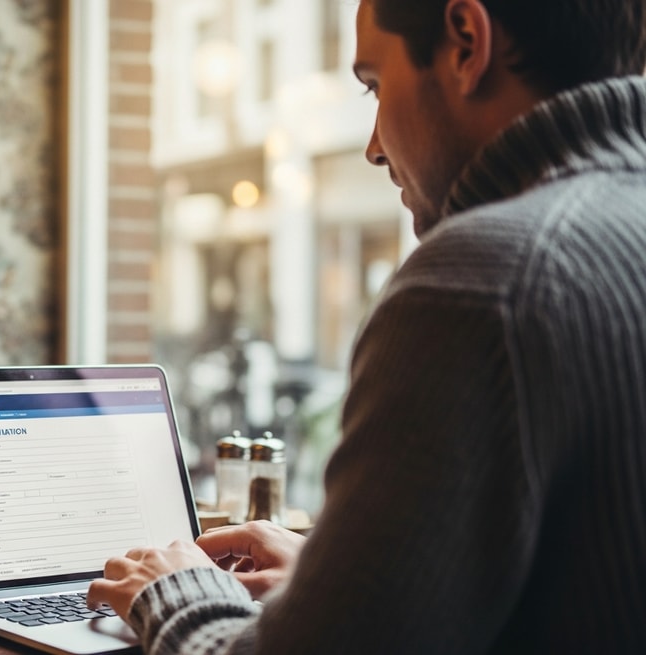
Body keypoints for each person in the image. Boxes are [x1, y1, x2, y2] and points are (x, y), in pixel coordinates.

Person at [87, 0, 646, 652]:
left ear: (467, 42)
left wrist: (176, 593)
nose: (374, 145)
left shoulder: (482, 283)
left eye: (375, 85)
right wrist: (344, 582)